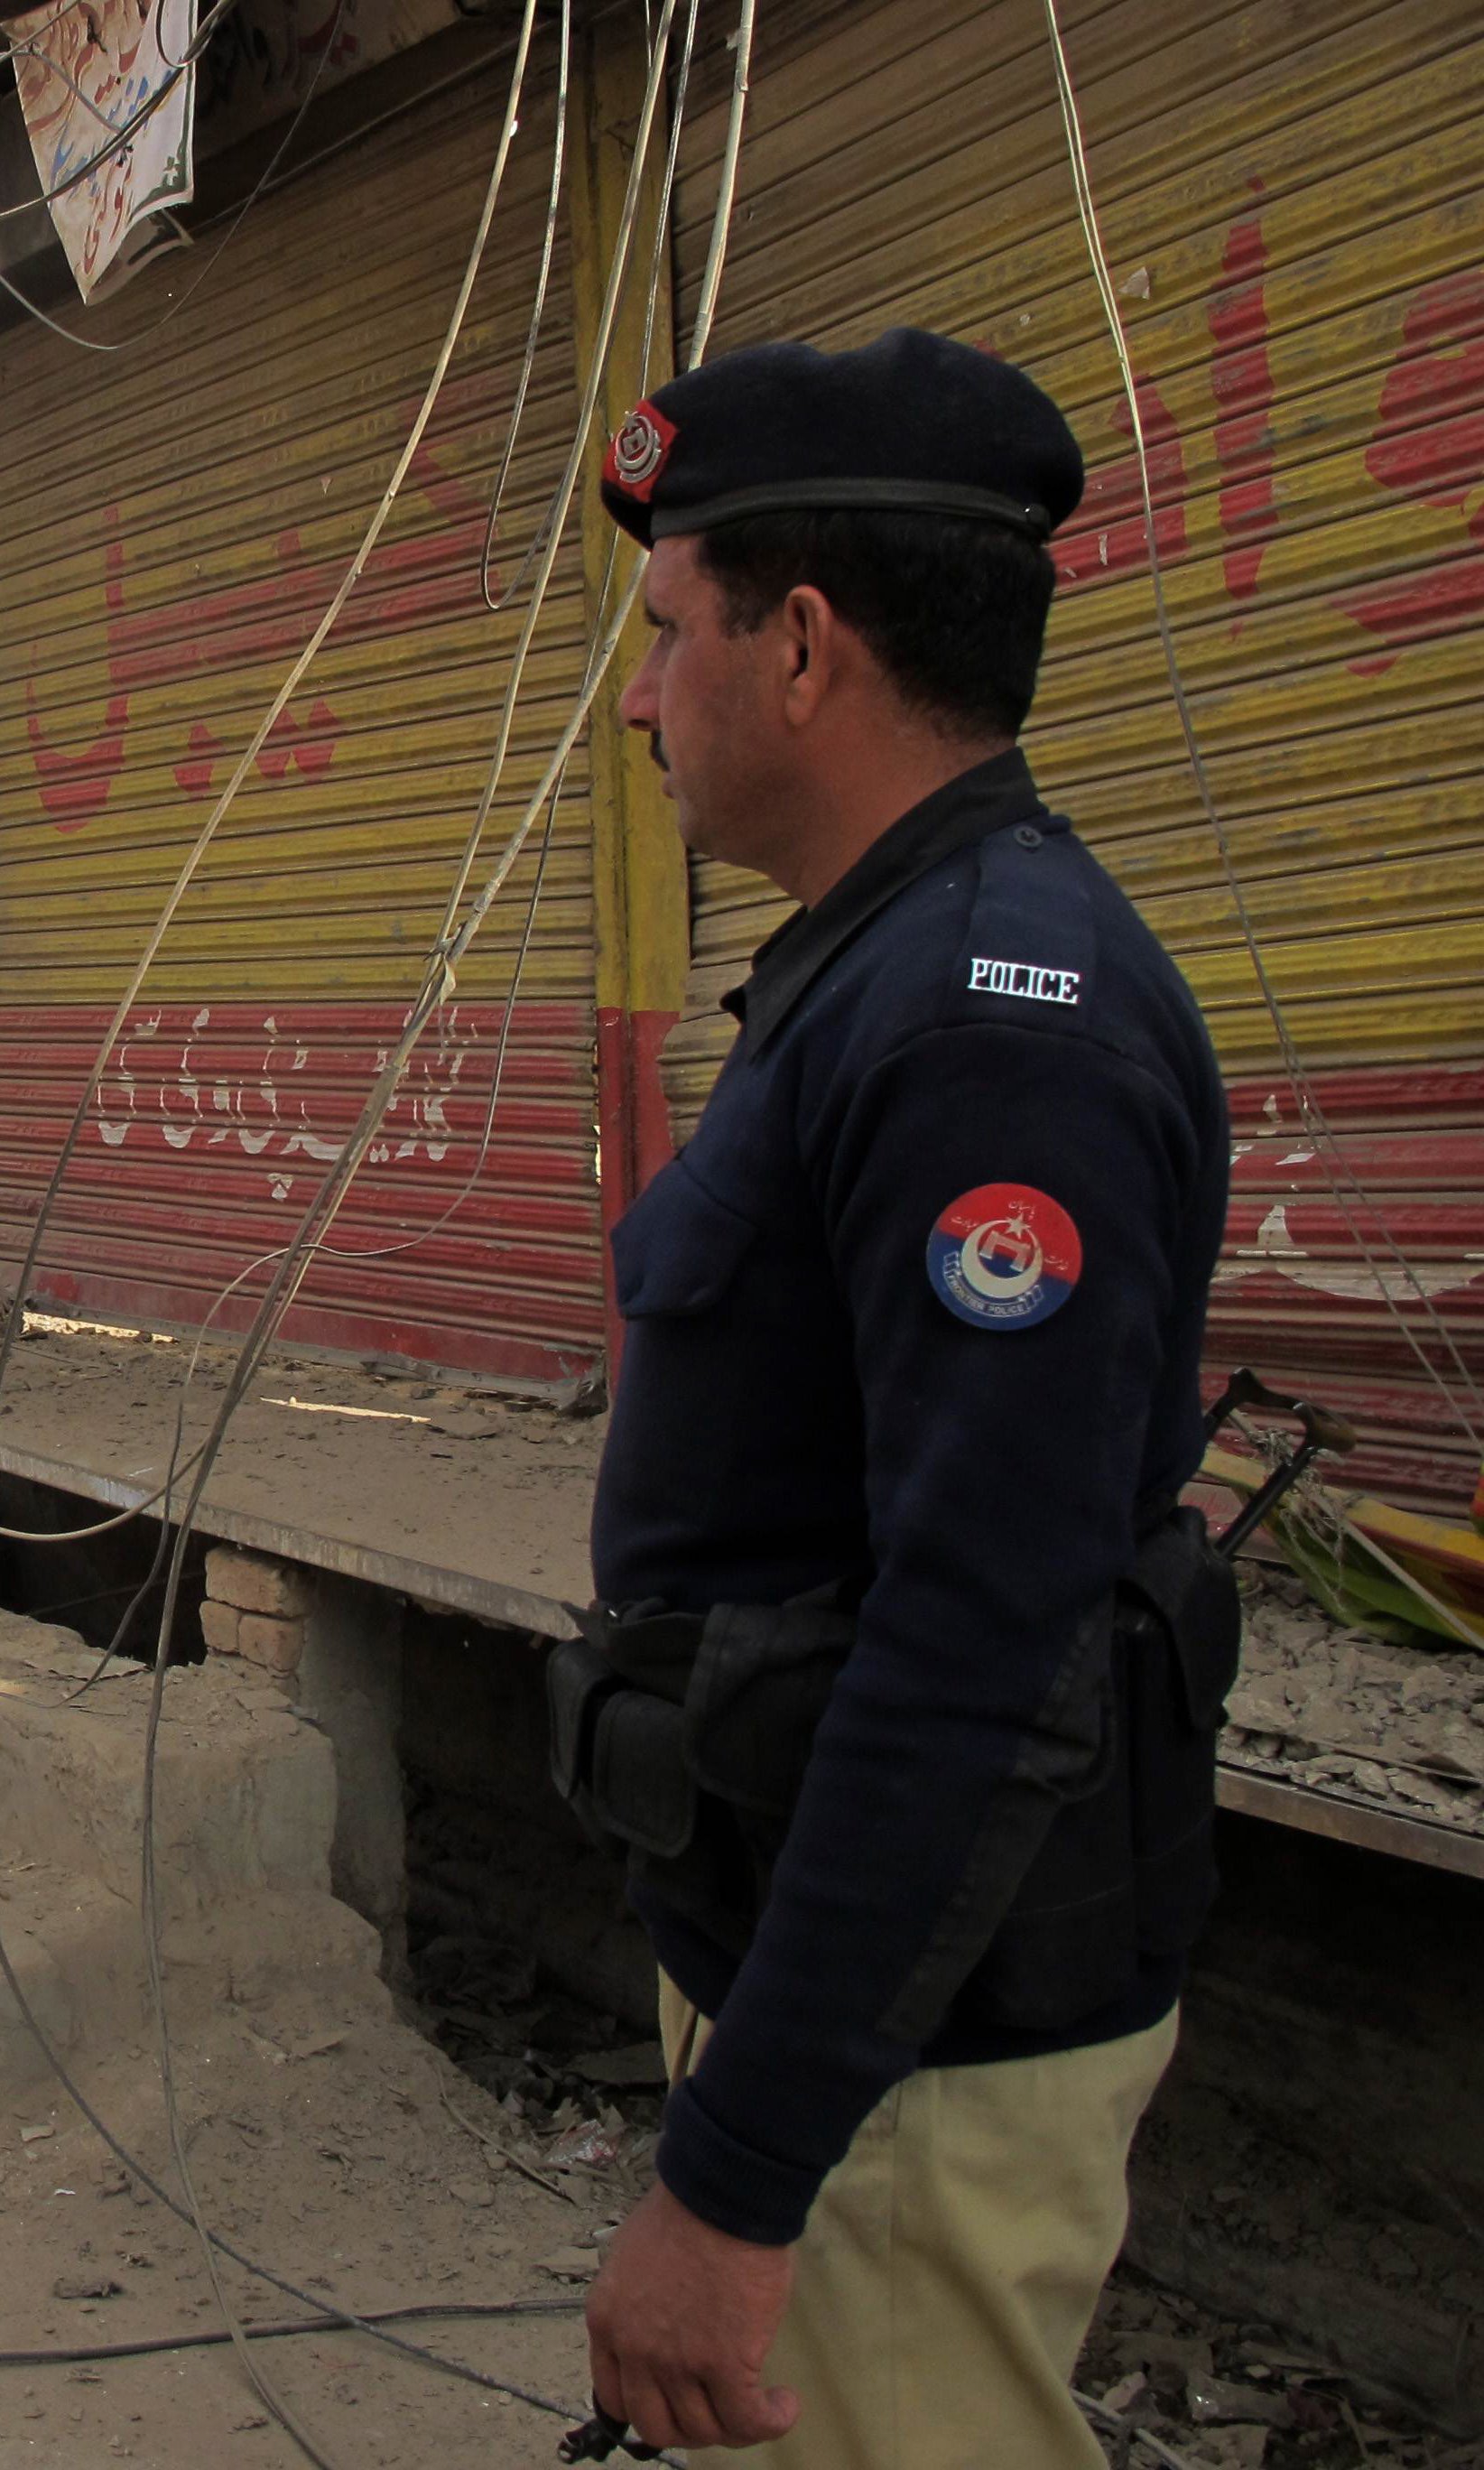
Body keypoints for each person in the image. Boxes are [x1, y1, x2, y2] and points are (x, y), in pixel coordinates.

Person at [551, 328, 1239, 2468]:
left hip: (912, 2077)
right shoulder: (888, 963)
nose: (644, 697)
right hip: (852, 2020)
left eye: (669, 635)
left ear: (808, 647)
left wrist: (739, 2183)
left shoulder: (985, 1034)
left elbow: (980, 1660)